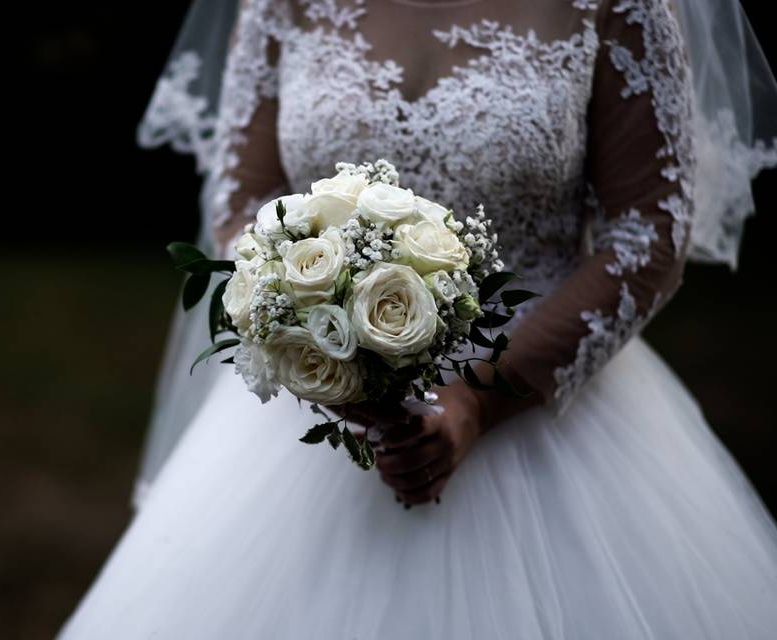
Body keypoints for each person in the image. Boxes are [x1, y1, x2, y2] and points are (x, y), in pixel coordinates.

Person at [61, 1, 777, 637]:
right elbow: (242, 197)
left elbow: (649, 228)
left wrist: (478, 398)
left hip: (539, 410)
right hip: (306, 421)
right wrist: (316, 342)